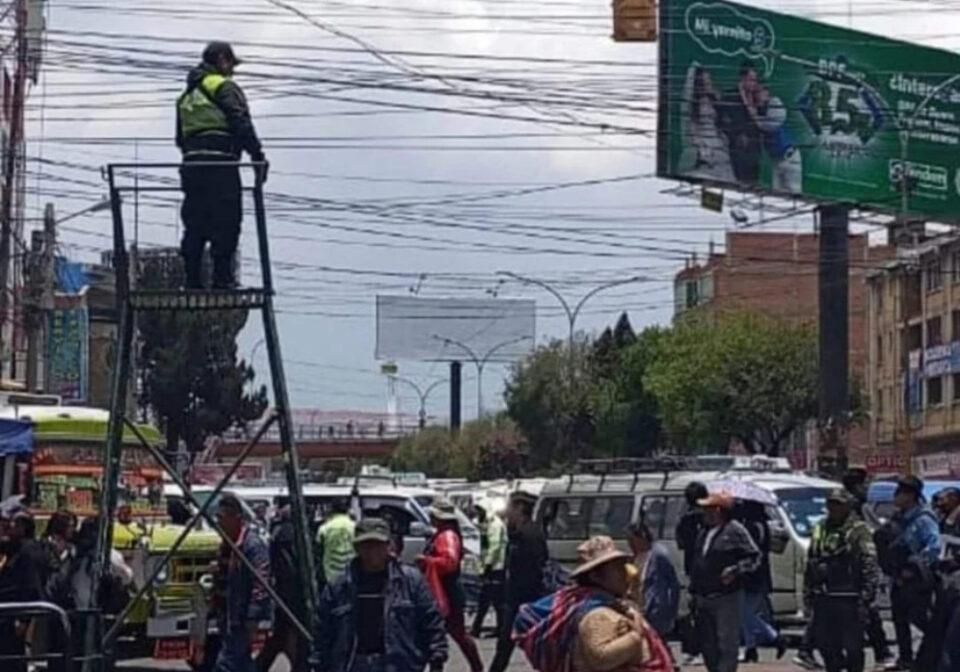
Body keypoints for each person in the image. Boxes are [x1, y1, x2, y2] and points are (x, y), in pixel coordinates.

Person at [176, 41, 267, 289]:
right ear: (222, 59)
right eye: (231, 64)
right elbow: (241, 122)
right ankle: (222, 279)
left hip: (192, 168)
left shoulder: (185, 97)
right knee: (226, 221)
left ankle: (192, 280)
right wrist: (257, 155)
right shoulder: (223, 87)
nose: (232, 71)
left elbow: (179, 138)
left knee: (195, 223)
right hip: (221, 166)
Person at [514, 535, 673, 672]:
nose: (623, 573)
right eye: (616, 569)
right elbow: (601, 656)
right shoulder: (595, 614)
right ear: (596, 576)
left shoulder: (609, 605)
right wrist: (635, 636)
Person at [314, 518, 448, 672]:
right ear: (356, 548)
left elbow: (431, 621)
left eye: (377, 545)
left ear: (388, 545)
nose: (372, 551)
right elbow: (322, 630)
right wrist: (318, 663)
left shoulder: (411, 581)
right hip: (353, 664)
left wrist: (437, 658)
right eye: (366, 546)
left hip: (399, 664)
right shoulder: (339, 587)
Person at [804, 489, 880, 672]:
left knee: (853, 648)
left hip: (849, 597)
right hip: (824, 596)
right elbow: (811, 561)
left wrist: (866, 598)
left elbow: (869, 563)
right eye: (830, 503)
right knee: (827, 647)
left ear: (848, 506)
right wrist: (807, 594)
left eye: (838, 504)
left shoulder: (858, 530)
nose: (833, 508)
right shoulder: (820, 527)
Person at [690, 491, 760, 672]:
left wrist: (735, 571)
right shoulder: (702, 533)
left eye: (708, 509)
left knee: (727, 643)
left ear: (719, 510)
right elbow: (697, 562)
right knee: (708, 643)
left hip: (726, 597)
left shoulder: (735, 530)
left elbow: (753, 557)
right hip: (704, 596)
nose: (704, 513)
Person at [877, 476, 941, 671]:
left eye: (901, 492)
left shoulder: (923, 518)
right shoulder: (899, 518)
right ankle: (905, 659)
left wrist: (913, 568)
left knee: (920, 617)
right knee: (899, 619)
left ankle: (937, 650)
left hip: (915, 579)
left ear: (911, 495)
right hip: (898, 577)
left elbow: (933, 547)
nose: (896, 496)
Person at [487, 490, 549, 672]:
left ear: (520, 508)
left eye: (510, 507)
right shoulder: (522, 532)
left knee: (533, 645)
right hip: (520, 599)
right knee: (505, 646)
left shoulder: (528, 535)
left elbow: (531, 570)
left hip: (526, 600)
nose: (507, 512)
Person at [418, 501, 483, 672]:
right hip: (444, 589)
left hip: (446, 591)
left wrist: (427, 561)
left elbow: (450, 562)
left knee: (454, 633)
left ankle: (476, 667)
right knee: (441, 632)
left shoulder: (446, 536)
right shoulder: (442, 534)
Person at [211, 493, 272, 672]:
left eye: (221, 517)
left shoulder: (251, 545)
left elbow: (261, 581)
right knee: (242, 663)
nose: (218, 522)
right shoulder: (226, 544)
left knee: (225, 665)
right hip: (226, 614)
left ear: (235, 518)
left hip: (241, 617)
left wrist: (253, 616)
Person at [256, 506, 306, 672]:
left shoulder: (279, 533)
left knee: (282, 635)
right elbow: (290, 567)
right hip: (293, 592)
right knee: (291, 634)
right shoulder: (293, 534)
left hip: (283, 590)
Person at [736, 501, 785, 663]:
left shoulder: (750, 527)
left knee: (745, 613)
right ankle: (750, 648)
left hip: (751, 575)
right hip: (761, 573)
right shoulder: (763, 525)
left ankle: (774, 636)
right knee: (747, 612)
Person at [0, 511, 44, 672]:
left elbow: (31, 588)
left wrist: (23, 619)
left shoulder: (24, 551)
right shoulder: (6, 550)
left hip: (12, 618)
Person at [626, 521, 679, 641]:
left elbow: (673, 585)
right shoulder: (636, 557)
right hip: (639, 608)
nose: (630, 545)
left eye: (632, 540)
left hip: (656, 610)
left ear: (642, 537)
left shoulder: (659, 555)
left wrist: (671, 612)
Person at [675, 480, 708, 666]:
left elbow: (680, 543)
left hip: (693, 570)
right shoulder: (712, 517)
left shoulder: (686, 519)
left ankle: (694, 649)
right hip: (712, 570)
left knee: (693, 612)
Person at [683, 66, 735, 182]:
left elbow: (724, 118)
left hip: (717, 139)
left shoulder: (714, 98)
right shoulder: (694, 103)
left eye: (708, 80)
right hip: (705, 141)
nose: (707, 84)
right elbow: (693, 125)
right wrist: (698, 144)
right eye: (704, 81)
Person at [716, 62, 763, 185]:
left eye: (755, 80)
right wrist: (736, 135)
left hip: (755, 153)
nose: (753, 84)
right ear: (743, 78)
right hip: (739, 151)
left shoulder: (756, 97)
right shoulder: (730, 96)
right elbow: (721, 122)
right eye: (750, 80)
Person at [471, 505, 507, 638]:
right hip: (489, 566)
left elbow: (494, 547)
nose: (476, 513)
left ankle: (478, 628)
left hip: (496, 567)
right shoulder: (483, 523)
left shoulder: (495, 525)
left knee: (489, 599)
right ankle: (498, 628)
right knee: (494, 600)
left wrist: (486, 566)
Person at [316, 497, 356, 586]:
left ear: (332, 509)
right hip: (352, 574)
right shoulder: (355, 527)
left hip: (331, 575)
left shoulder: (324, 528)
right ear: (348, 510)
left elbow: (318, 549)